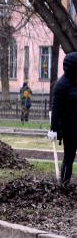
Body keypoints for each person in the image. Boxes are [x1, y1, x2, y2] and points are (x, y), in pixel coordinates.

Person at [49, 52, 77, 186]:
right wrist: (54, 129)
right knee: (69, 157)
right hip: (70, 129)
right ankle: (64, 184)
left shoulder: (75, 82)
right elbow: (56, 110)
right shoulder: (61, 85)